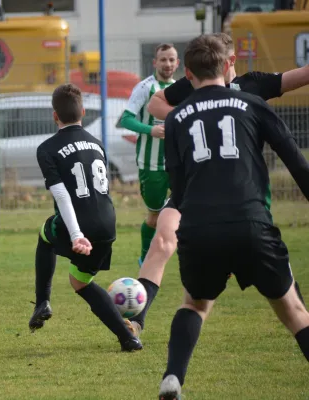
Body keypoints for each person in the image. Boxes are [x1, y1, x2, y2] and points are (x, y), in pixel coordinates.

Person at [157, 34, 309, 399]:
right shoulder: (253, 103)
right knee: (293, 310)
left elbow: (178, 190)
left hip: (199, 227)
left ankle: (173, 377)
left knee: (194, 303)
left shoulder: (177, 118)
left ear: (187, 74)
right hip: (251, 222)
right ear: (228, 66)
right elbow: (297, 164)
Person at [28, 83, 142, 352]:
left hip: (79, 225)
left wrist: (77, 234)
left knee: (45, 234)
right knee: (80, 282)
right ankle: (129, 339)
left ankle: (42, 301)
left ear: (55, 115)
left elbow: (62, 195)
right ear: (83, 111)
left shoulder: (47, 148)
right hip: (107, 223)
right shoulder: (96, 143)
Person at [119, 43, 179, 267]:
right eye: (163, 59)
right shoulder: (145, 87)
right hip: (151, 163)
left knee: (188, 212)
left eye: (172, 59)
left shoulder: (179, 88)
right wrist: (150, 130)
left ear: (178, 63)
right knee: (154, 217)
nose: (168, 64)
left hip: (176, 163)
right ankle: (145, 260)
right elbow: (126, 119)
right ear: (155, 62)